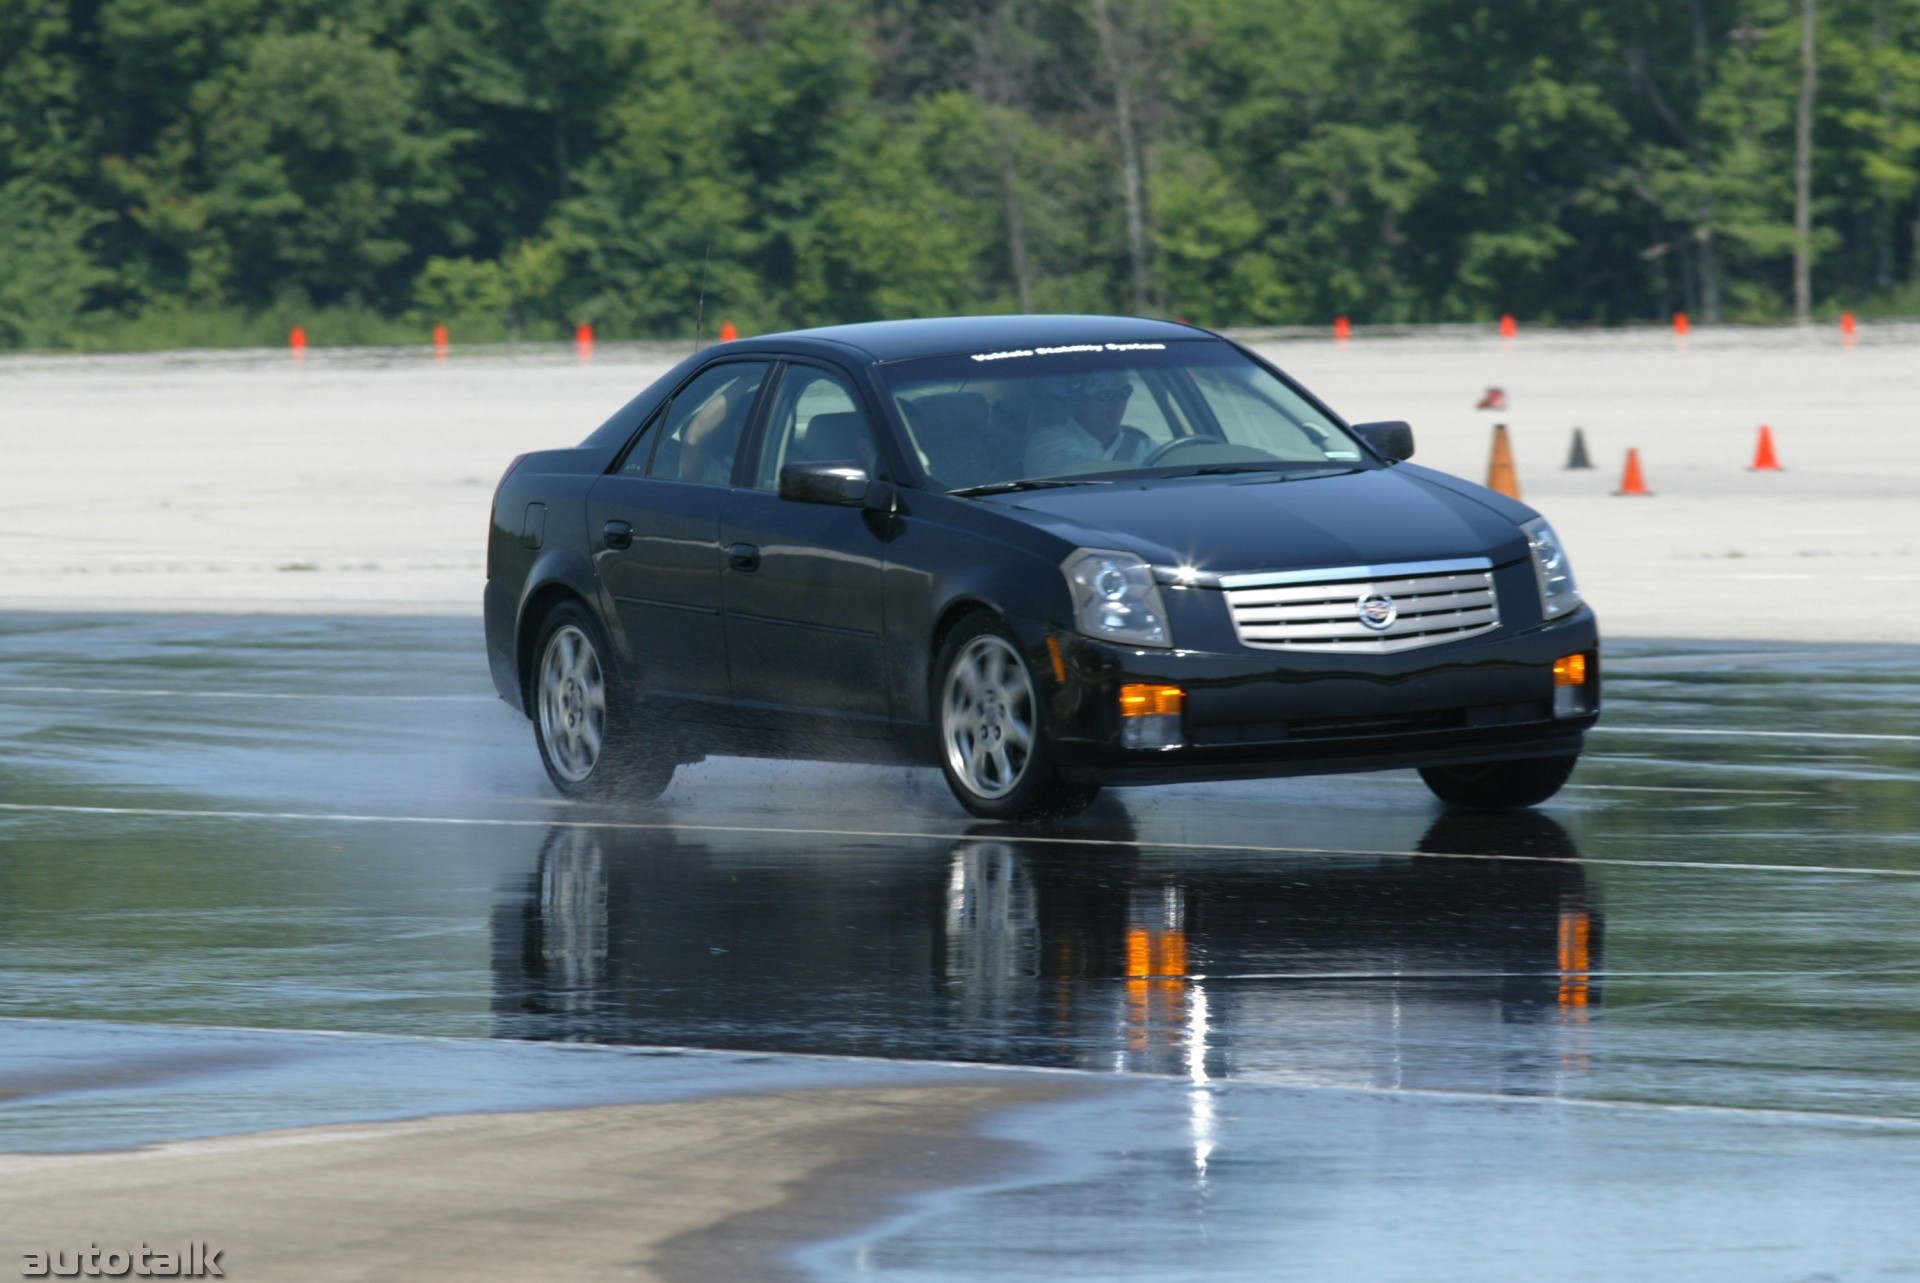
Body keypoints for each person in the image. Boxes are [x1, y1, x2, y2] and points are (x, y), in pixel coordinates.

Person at [1023, 370, 1155, 476]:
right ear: (1078, 403)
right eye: (1106, 395)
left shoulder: (1147, 448)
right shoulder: (1046, 442)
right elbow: (1074, 475)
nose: (1117, 403)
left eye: (1124, 393)